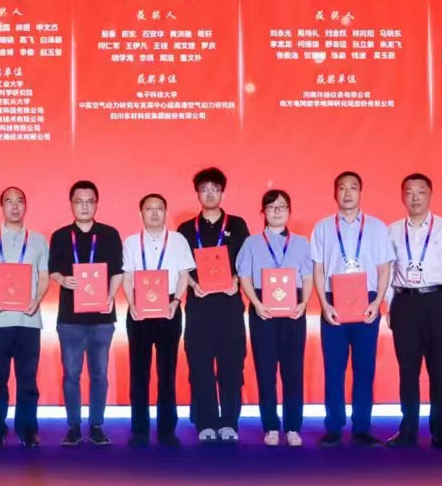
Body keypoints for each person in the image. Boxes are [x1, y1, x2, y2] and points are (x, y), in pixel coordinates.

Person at [310, 171, 394, 447]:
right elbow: (318, 269)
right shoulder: (323, 227)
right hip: (333, 300)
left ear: (361, 192)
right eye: (342, 188)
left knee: (364, 367)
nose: (347, 193)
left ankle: (362, 428)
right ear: (334, 193)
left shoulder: (377, 227)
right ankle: (334, 427)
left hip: (367, 301)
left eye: (353, 188)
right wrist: (324, 304)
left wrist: (377, 302)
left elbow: (384, 268)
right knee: (334, 368)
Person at [388, 173, 442, 450]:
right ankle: (407, 430)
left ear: (430, 195)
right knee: (407, 371)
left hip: (437, 301)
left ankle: (440, 431)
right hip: (405, 303)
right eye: (409, 192)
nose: (415, 198)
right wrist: (389, 305)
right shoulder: (392, 230)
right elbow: (388, 272)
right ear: (402, 196)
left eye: (420, 192)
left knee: (439, 369)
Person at [47, 180, 125, 447]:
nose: (84, 206)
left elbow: (118, 271)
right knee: (71, 374)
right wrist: (62, 279)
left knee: (100, 374)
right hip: (70, 319)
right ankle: (73, 426)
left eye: (89, 201)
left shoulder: (109, 234)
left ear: (96, 204)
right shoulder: (60, 236)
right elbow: (52, 269)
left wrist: (111, 296)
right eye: (79, 201)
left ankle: (96, 425)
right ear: (71, 204)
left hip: (102, 317)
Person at [177, 166, 250, 444]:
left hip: (229, 307)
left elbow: (245, 263)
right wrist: (192, 284)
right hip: (199, 308)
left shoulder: (238, 225)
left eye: (215, 189)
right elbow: (182, 268)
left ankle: (229, 421)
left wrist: (235, 280)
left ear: (223, 193)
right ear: (197, 193)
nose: (209, 194)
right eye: (204, 189)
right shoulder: (186, 229)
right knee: (200, 367)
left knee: (232, 367)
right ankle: (206, 422)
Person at [237, 188, 315, 448]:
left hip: (293, 309)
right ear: (263, 212)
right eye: (271, 207)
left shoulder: (301, 243)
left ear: (289, 211)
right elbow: (245, 276)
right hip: (263, 309)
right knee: (265, 370)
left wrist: (304, 303)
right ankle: (270, 426)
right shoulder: (251, 243)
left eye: (282, 206)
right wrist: (256, 303)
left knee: (293, 371)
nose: (277, 211)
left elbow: (307, 276)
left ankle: (293, 427)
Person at [0, 186, 49, 449]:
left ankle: (28, 429)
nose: (15, 206)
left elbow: (44, 276)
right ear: (2, 206)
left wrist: (37, 299)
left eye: (19, 201)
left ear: (26, 206)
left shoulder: (38, 240)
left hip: (29, 320)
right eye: (9, 201)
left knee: (27, 379)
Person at [122, 193, 195, 448]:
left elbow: (184, 275)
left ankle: (167, 430)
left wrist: (177, 302)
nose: (154, 213)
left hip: (169, 309)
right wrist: (132, 304)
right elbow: (127, 276)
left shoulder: (178, 240)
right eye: (149, 209)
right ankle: (139, 429)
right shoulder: (131, 242)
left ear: (166, 212)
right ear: (140, 213)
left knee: (167, 372)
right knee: (138, 373)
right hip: (139, 311)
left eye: (159, 208)